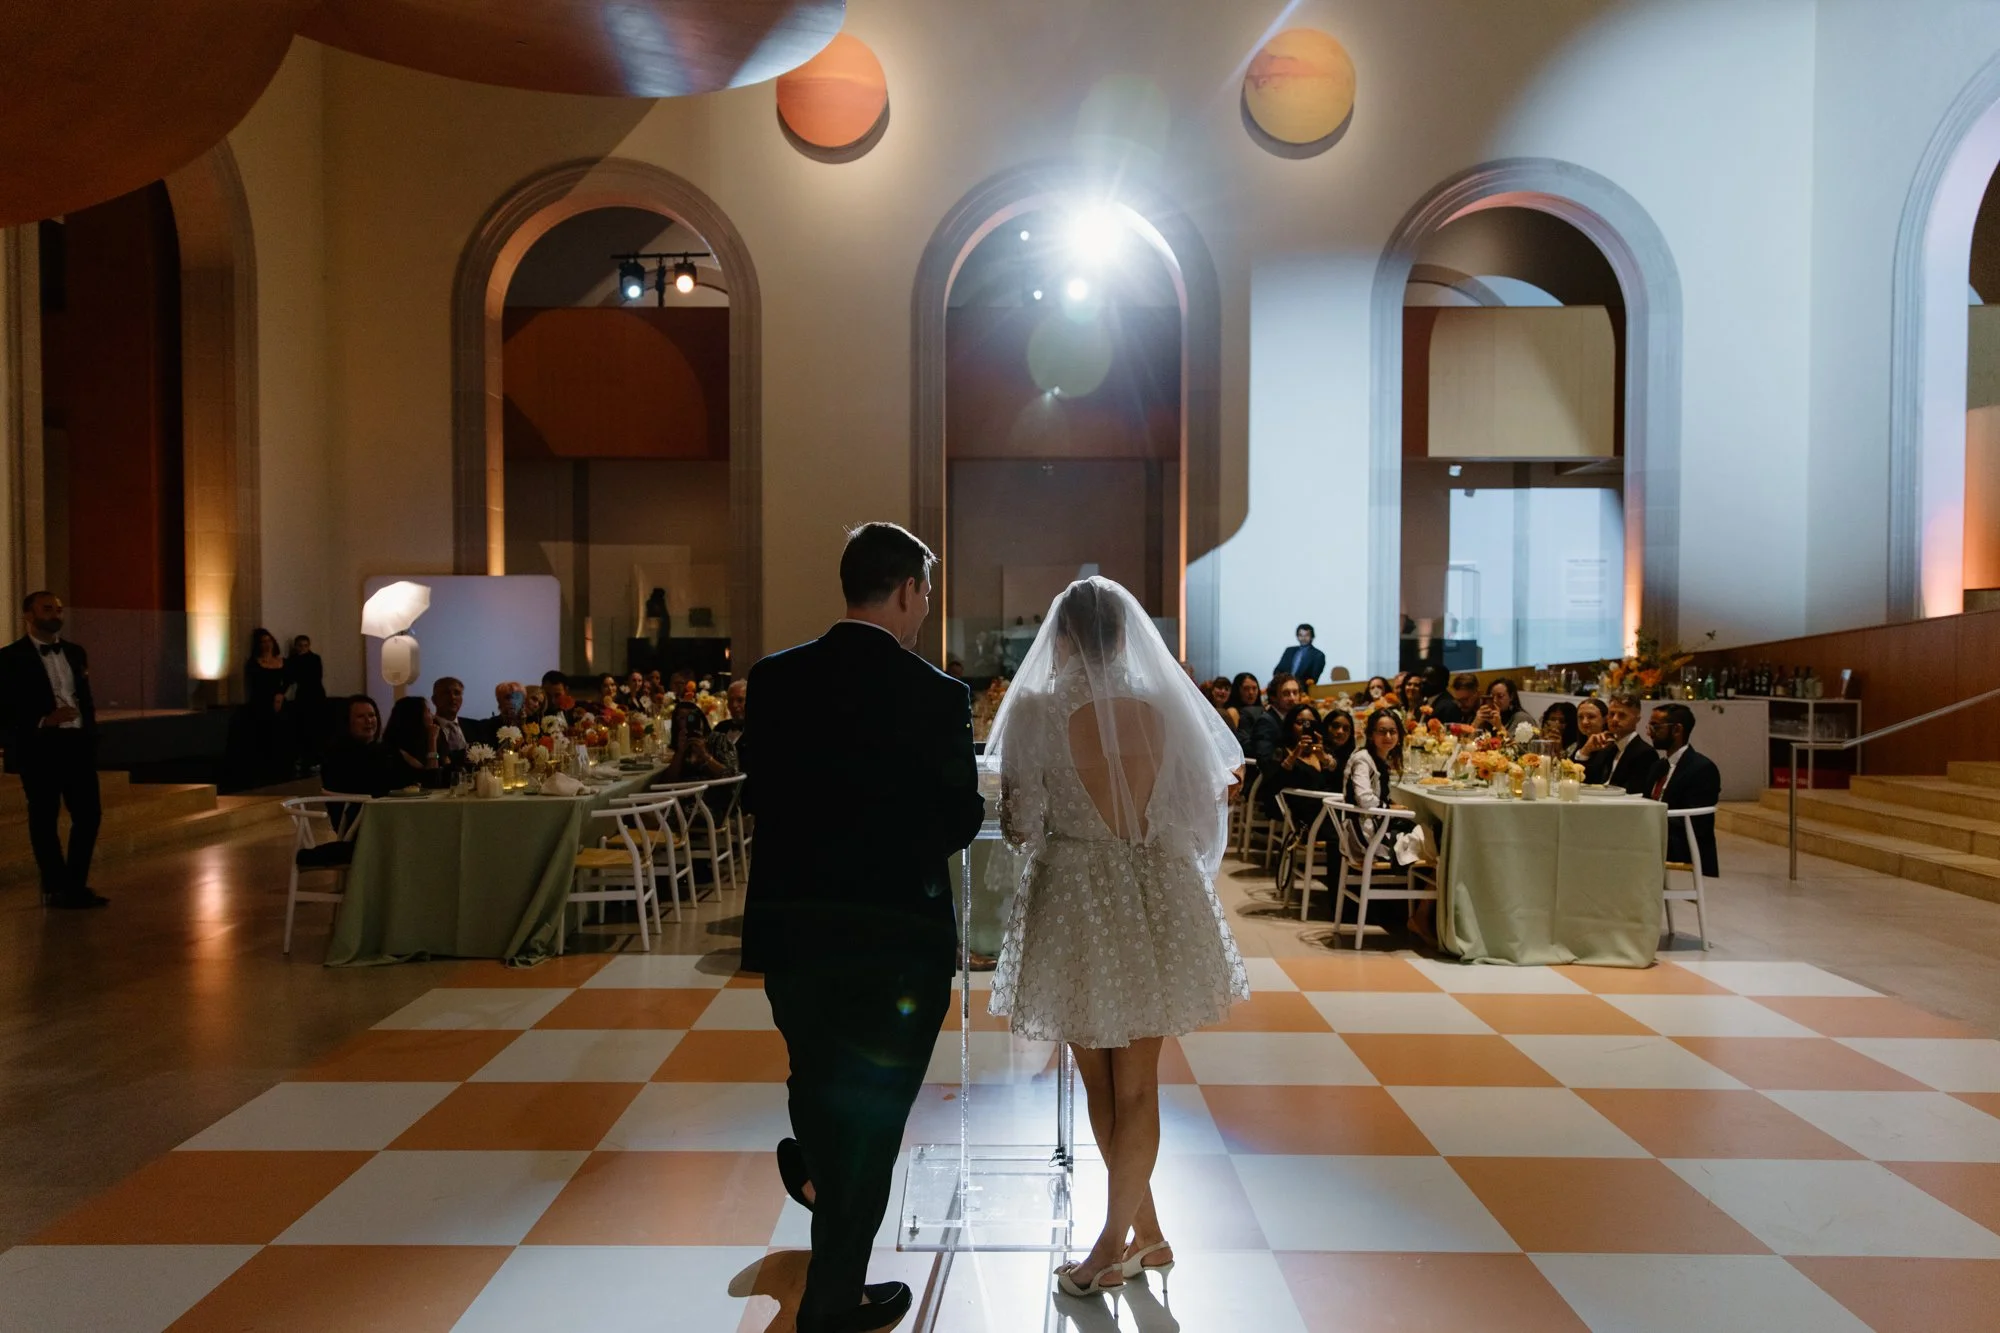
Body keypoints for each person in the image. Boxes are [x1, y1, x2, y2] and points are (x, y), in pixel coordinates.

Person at [741, 521, 985, 1333]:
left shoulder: (776, 679)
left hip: (796, 928)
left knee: (818, 1077)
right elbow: (956, 821)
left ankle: (814, 1167)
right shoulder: (935, 695)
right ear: (911, 591)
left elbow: (758, 796)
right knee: (874, 1116)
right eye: (925, 593)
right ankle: (832, 1301)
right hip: (893, 945)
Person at [986, 576, 1248, 1299]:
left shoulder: (1039, 707)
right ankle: (1149, 1229)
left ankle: (1108, 1246)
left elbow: (1024, 823)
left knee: (1100, 1078)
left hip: (1074, 897)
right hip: (1157, 893)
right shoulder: (1166, 703)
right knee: (1134, 1084)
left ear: (1062, 637)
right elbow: (1199, 819)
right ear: (1127, 635)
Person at [0, 592, 106, 908]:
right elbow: (4, 709)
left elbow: (83, 698)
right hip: (40, 747)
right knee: (44, 818)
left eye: (58, 609)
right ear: (28, 615)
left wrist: (89, 733)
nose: (55, 614)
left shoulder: (75, 652)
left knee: (89, 815)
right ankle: (55, 886)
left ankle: (74, 885)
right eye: (47, 608)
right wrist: (44, 720)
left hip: (76, 745)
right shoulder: (9, 658)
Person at [1340, 707, 1435, 944]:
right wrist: (1390, 807)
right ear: (1370, 734)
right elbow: (1364, 799)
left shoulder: (1377, 759)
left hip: (1370, 830)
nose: (1389, 737)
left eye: (1393, 732)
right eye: (1382, 731)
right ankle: (1422, 917)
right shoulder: (1363, 759)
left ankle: (1423, 914)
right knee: (1443, 846)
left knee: (1433, 840)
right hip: (1367, 838)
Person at [1647, 703, 1721, 876]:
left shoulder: (1702, 768)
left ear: (1677, 730)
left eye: (1655, 726)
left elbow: (1698, 822)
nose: (1649, 732)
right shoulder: (1659, 765)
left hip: (1681, 843)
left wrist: (1651, 819)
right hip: (1655, 835)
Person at [321, 695, 398, 798]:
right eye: (360, 716)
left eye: (371, 715)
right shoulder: (338, 755)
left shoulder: (385, 750)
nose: (368, 721)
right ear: (346, 721)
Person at [241, 627, 291, 785]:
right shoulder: (254, 664)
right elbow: (255, 684)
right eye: (263, 642)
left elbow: (288, 680)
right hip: (261, 704)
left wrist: (280, 694)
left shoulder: (282, 661)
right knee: (264, 736)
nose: (266, 644)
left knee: (282, 734)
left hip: (280, 702)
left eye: (268, 641)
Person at [1581, 693, 1657, 794]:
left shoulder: (1646, 753)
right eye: (1611, 714)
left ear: (1637, 719)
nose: (1615, 719)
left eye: (1622, 715)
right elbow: (1586, 781)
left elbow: (1634, 794)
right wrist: (1585, 751)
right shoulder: (1608, 747)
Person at [381, 696, 446, 787]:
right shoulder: (393, 751)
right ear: (415, 716)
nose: (432, 716)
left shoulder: (423, 743)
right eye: (428, 711)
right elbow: (432, 782)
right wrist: (432, 741)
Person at [285, 634, 327, 773]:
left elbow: (311, 677)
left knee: (315, 728)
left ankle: (314, 759)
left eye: (305, 645)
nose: (303, 648)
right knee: (304, 728)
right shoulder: (296, 661)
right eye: (300, 645)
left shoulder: (313, 659)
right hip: (305, 697)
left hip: (314, 696)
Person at [1239, 672, 1301, 764]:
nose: (1292, 698)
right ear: (1273, 697)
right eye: (1286, 693)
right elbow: (1266, 760)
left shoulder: (1292, 719)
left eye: (1295, 693)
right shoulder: (1266, 722)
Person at [430, 676, 470, 766]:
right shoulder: (427, 730)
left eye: (457, 693)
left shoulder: (473, 726)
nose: (452, 698)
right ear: (434, 700)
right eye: (446, 693)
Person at [1274, 623, 1326, 687]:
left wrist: (1294, 685)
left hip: (1303, 690)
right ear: (1297, 636)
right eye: (1300, 635)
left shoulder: (1318, 655)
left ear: (1312, 637)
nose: (1303, 638)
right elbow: (1277, 670)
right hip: (1283, 687)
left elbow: (1313, 679)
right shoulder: (1289, 651)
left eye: (1307, 635)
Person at [1573, 696, 1609, 761]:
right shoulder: (1574, 745)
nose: (1584, 722)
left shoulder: (1609, 747)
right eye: (1580, 717)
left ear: (1605, 719)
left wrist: (1585, 751)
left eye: (1591, 717)